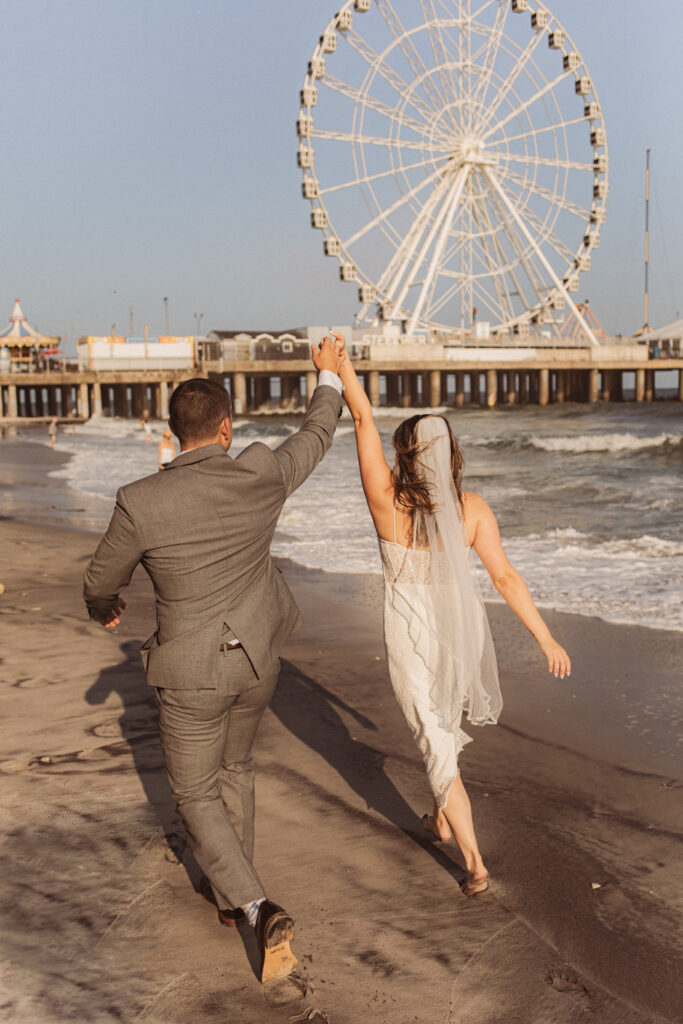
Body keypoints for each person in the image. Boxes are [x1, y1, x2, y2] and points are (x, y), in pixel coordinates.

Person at [83, 338, 344, 982]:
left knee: (194, 791)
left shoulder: (140, 501)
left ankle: (254, 906)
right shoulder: (259, 472)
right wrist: (328, 377)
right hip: (257, 663)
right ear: (226, 428)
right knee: (237, 767)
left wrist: (106, 607)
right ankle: (232, 897)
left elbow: (98, 580)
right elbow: (315, 436)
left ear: (174, 436)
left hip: (191, 674)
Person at [334, 332, 570, 897]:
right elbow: (506, 578)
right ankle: (439, 818)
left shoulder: (386, 502)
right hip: (456, 641)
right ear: (451, 453)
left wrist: (342, 370)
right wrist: (546, 640)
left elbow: (363, 422)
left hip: (409, 641)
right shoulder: (473, 511)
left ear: (406, 455)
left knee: (435, 740)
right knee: (436, 730)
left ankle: (474, 862)